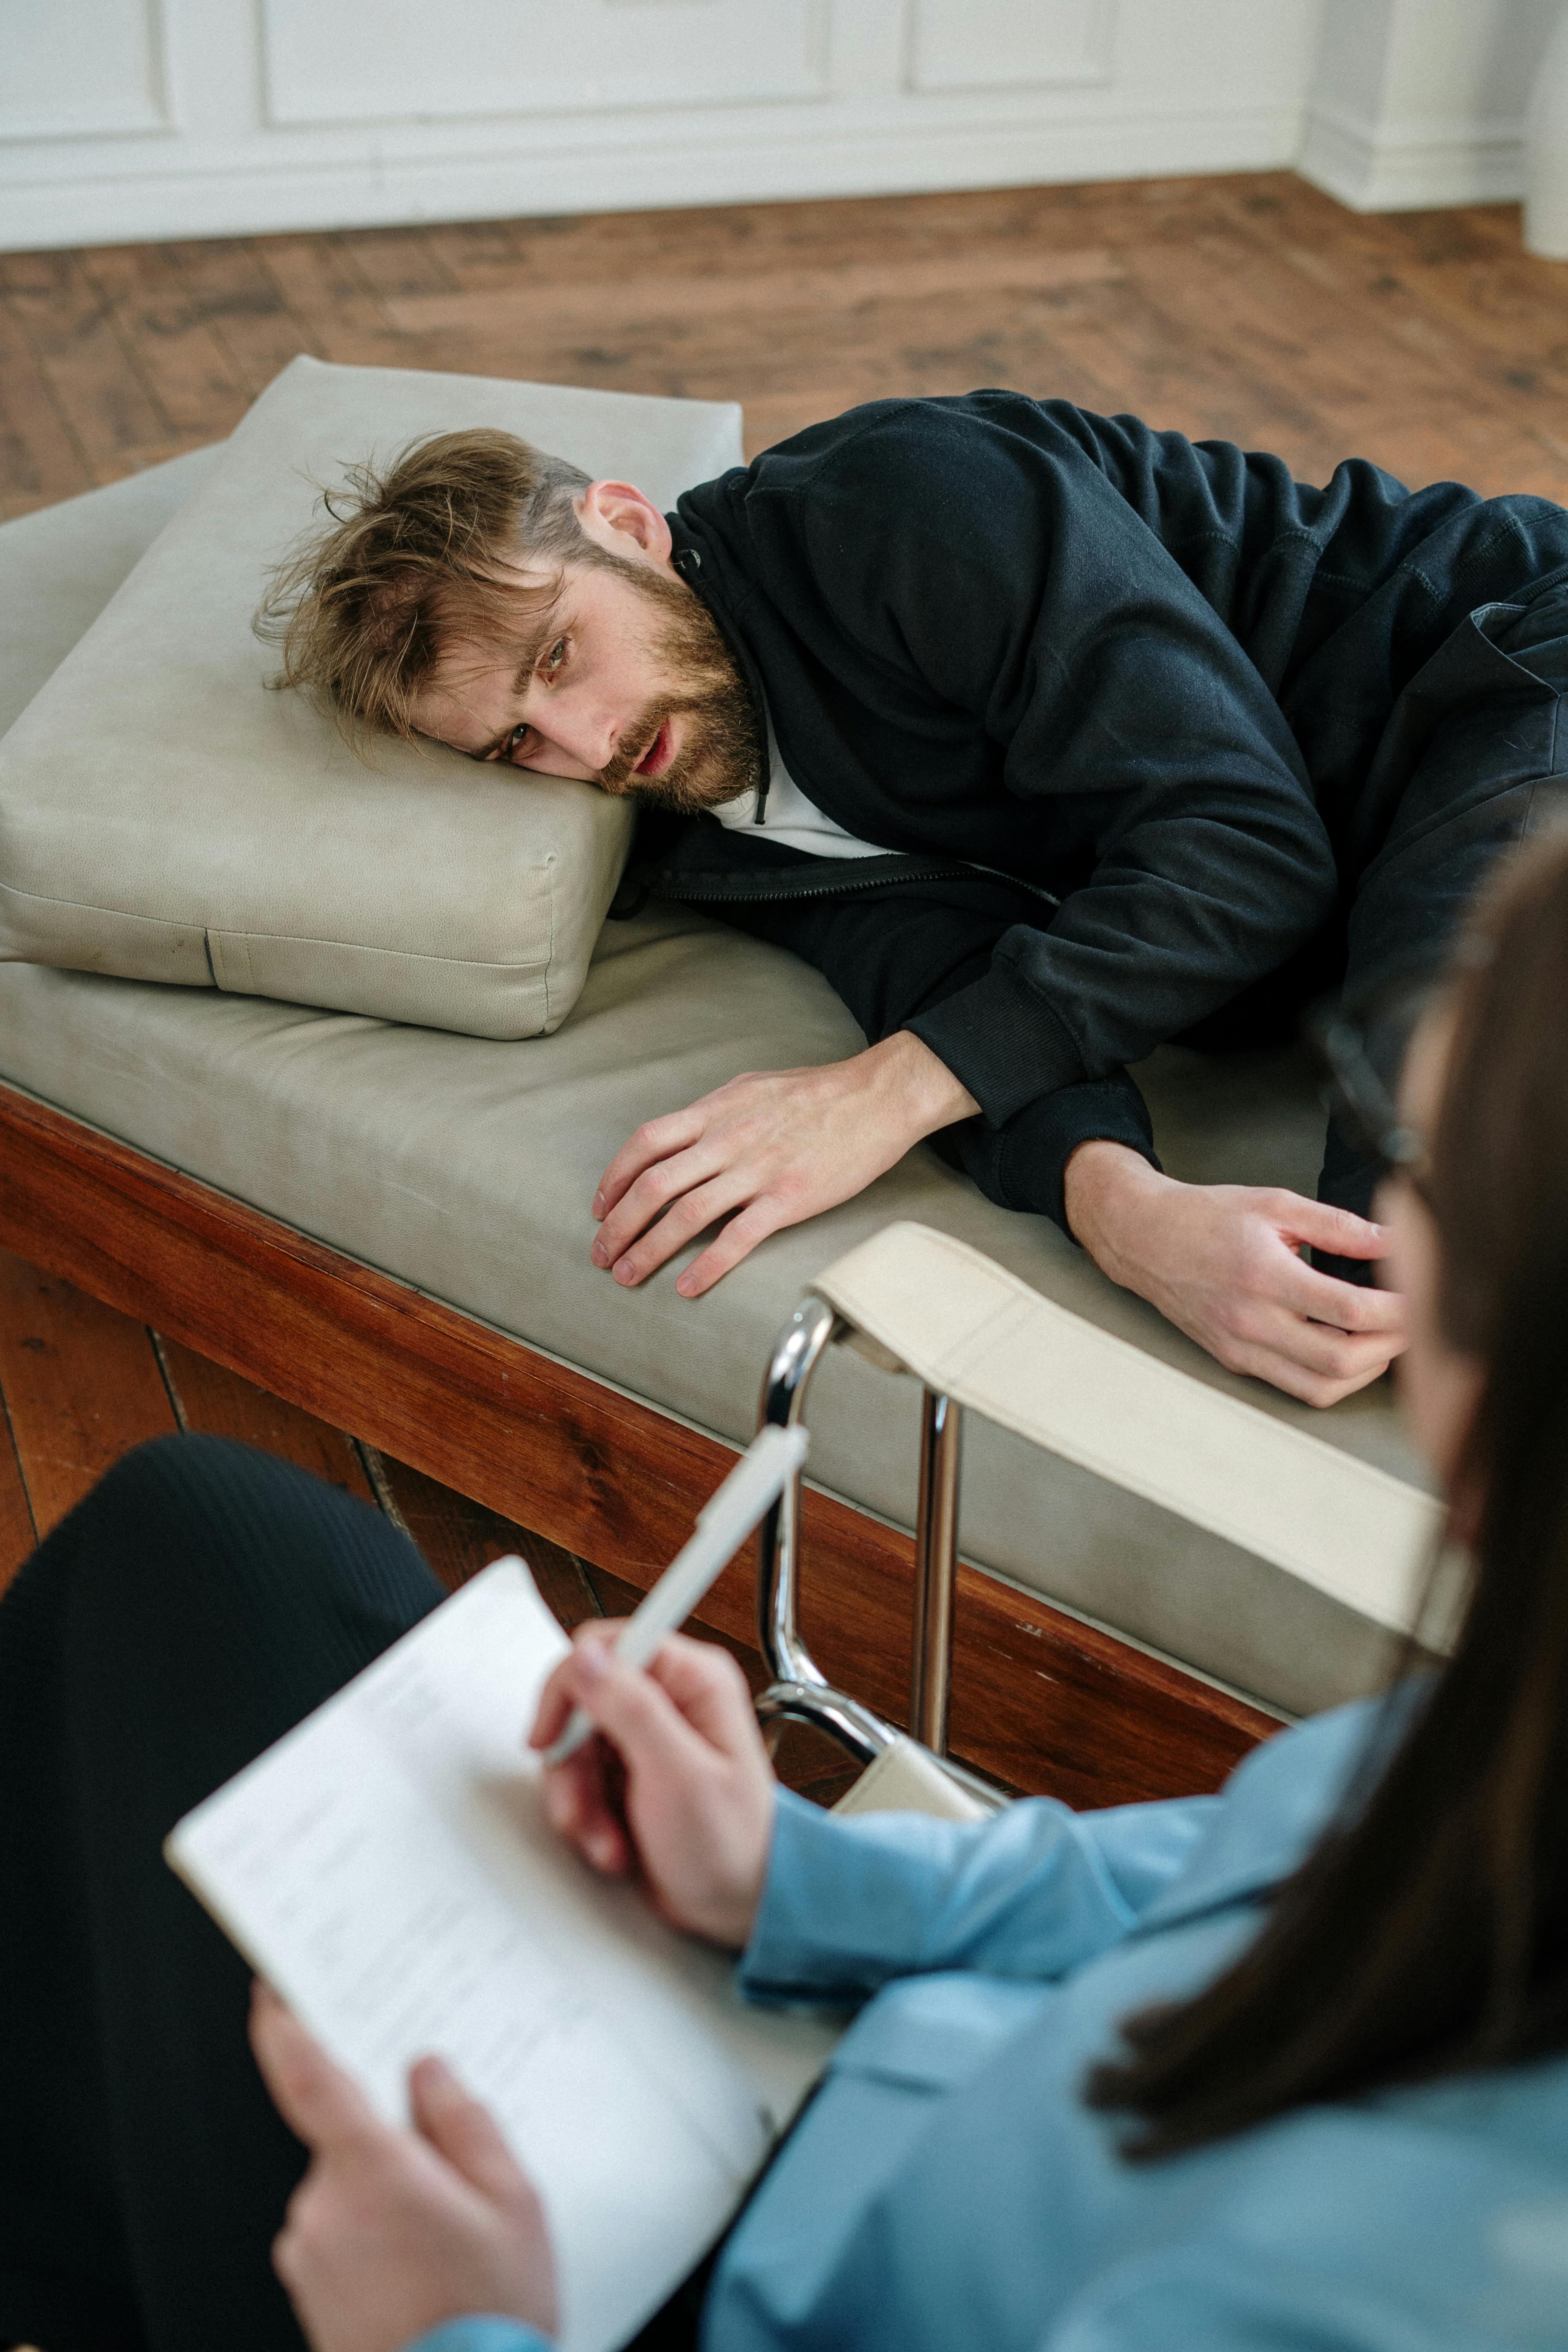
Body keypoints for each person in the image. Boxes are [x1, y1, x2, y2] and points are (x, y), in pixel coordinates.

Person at [2, 823, 1567, 2352]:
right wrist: (783, 1878)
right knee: (204, 1538)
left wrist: (459, 2322)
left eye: (1409, 1154)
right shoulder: (1493, 1727)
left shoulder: (1451, 2270)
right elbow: (1167, 1892)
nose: (1394, 1226)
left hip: (714, 2296)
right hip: (855, 2099)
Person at [261, 399, 1568, 1406]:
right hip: (1353, 899)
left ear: (626, 521)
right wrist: (1127, 1214)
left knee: (1436, 1210)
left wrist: (878, 1094)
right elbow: (943, 967)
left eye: (560, 655)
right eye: (514, 747)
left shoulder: (902, 503)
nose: (587, 742)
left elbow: (1246, 849)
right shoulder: (688, 808)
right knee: (1342, 1293)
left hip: (1499, 663)